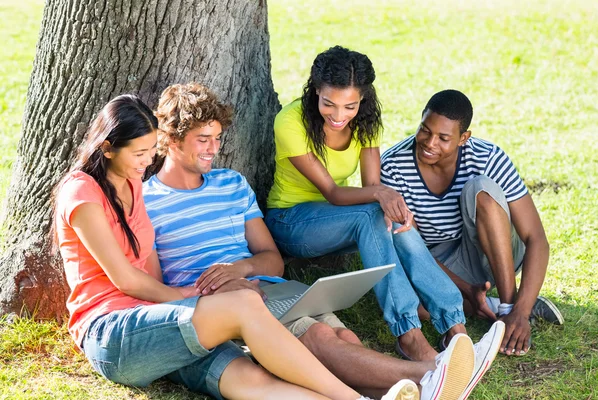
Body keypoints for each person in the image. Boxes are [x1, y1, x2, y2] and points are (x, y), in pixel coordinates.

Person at [143, 82, 505, 399]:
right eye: (202, 140)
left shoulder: (232, 184)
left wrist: (243, 267)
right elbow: (153, 287)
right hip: (224, 305)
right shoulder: (146, 203)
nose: (213, 149)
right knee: (318, 338)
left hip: (275, 287)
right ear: (170, 139)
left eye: (217, 138)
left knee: (344, 342)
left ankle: (411, 387)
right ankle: (431, 372)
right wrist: (221, 287)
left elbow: (272, 259)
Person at [52, 93, 426, 400]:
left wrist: (227, 283)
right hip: (121, 325)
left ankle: (385, 394)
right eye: (140, 154)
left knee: (254, 377)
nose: (147, 162)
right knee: (293, 326)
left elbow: (149, 272)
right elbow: (127, 280)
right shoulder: (87, 191)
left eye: (149, 152)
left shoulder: (137, 185)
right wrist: (199, 296)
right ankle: (411, 380)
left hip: (176, 316)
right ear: (110, 148)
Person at [263, 45, 467, 362]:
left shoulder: (367, 120)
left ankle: (455, 325)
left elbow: (372, 186)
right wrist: (382, 195)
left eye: (350, 106)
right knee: (374, 210)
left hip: (343, 219)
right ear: (316, 89)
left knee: (384, 215)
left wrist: (385, 198)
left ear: (363, 99)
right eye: (329, 103)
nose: (339, 116)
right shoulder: (290, 122)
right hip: (291, 222)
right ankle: (409, 334)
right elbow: (332, 191)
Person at [380, 89, 564, 357]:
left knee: (482, 190)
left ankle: (510, 308)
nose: (430, 143)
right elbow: (412, 252)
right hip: (439, 261)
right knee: (413, 305)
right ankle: (488, 302)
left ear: (463, 138)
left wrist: (519, 314)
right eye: (425, 130)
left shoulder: (488, 157)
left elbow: (536, 238)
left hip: (496, 252)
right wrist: (465, 288)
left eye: (444, 138)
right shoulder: (395, 165)